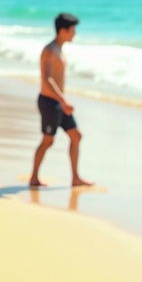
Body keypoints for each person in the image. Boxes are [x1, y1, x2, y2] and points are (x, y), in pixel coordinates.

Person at [29, 13, 93, 187]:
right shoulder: (50, 50)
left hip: (58, 102)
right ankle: (34, 177)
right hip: (49, 102)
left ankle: (75, 178)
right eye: (73, 30)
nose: (75, 33)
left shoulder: (59, 48)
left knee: (76, 136)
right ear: (63, 30)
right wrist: (63, 101)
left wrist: (62, 101)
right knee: (48, 140)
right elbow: (47, 79)